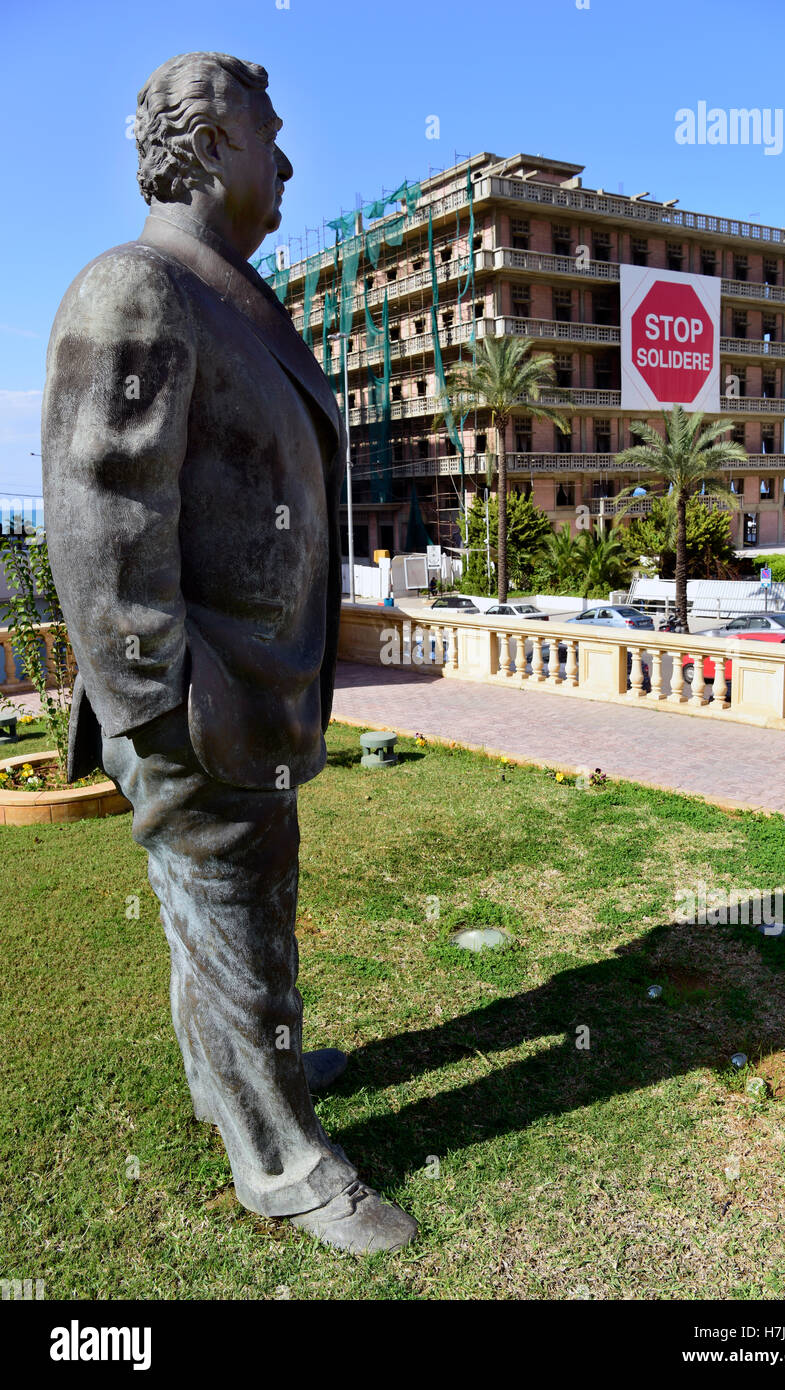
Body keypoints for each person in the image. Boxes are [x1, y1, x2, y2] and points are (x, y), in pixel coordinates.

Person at [41, 52, 416, 1254]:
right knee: (232, 912)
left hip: (249, 689)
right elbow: (103, 522)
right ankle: (284, 1158)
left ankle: (240, 1071)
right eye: (272, 137)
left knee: (235, 914)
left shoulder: (228, 294)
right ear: (208, 146)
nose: (289, 161)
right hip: (196, 695)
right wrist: (160, 702)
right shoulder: (135, 290)